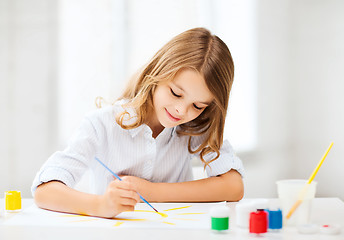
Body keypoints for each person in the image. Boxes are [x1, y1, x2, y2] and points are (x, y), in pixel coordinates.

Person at [32, 27, 244, 218]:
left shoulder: (195, 126)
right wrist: (101, 205)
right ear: (156, 74)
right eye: (176, 93)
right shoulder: (101, 124)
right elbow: (44, 191)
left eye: (198, 105)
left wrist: (152, 192)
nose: (182, 110)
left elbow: (234, 186)